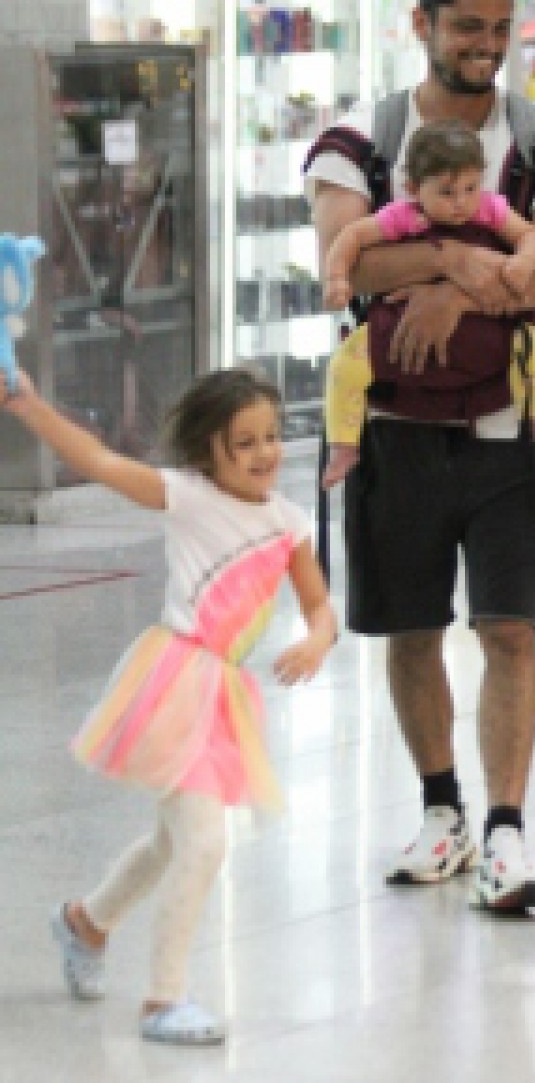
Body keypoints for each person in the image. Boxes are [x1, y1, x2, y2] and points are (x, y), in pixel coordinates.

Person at [305, 0, 535, 912]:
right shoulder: (360, 139)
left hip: (509, 431)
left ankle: (508, 830)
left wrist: (437, 287)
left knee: (511, 627)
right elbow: (346, 262)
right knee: (412, 627)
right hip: (392, 427)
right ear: (421, 21)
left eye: (501, 28)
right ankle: (444, 814)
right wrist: (457, 265)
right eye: (468, 25)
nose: (486, 45)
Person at [5, 367, 335, 1046]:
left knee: (170, 841)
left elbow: (319, 603)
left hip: (226, 696)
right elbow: (96, 459)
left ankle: (85, 923)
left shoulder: (289, 521)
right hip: (175, 682)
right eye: (243, 442)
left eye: (271, 435)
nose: (264, 452)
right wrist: (29, 404)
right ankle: (162, 998)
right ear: (206, 451)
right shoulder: (184, 496)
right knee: (204, 842)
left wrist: (320, 638)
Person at [320, 123, 535, 489]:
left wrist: (523, 263)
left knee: (531, 346)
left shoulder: (490, 211)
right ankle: (344, 443)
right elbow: (351, 237)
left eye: (471, 188)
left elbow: (530, 235)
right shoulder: (404, 216)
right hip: (398, 330)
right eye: (447, 192)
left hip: (485, 331)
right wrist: (336, 278)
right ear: (415, 189)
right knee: (345, 364)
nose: (462, 202)